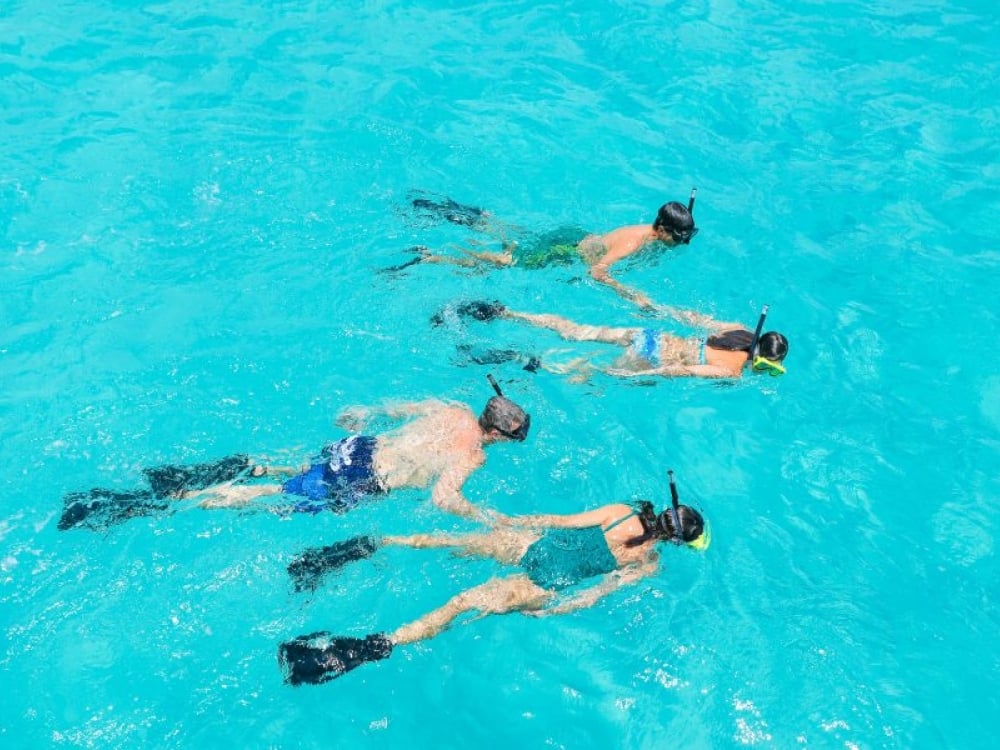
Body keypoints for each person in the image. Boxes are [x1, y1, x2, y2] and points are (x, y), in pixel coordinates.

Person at [279, 471, 709, 685]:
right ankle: (373, 647)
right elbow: (596, 594)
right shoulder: (647, 564)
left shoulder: (621, 513)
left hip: (533, 546)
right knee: (459, 605)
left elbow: (562, 521)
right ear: (674, 541)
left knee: (444, 541)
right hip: (542, 586)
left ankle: (372, 544)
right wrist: (553, 610)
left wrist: (515, 521)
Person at [58, 378, 531, 530]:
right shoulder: (473, 455)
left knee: (296, 468)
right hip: (362, 481)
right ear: (502, 435)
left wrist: (358, 414)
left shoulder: (446, 408)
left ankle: (246, 465)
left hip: (357, 448)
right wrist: (492, 519)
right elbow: (444, 500)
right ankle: (167, 499)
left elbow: (383, 411)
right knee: (265, 497)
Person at [393, 189, 699, 310]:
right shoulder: (634, 243)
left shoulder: (649, 234)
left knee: (516, 242)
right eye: (679, 238)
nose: (682, 244)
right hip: (565, 251)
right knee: (504, 262)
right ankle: (433, 256)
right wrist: (632, 295)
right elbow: (597, 271)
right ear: (660, 229)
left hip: (576, 239)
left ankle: (481, 219)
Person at [447, 300, 789, 380]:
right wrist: (635, 376)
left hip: (652, 336)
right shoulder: (732, 372)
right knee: (586, 373)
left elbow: (690, 317)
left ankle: (509, 313)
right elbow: (681, 372)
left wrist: (649, 305)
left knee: (577, 330)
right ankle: (527, 358)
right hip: (651, 358)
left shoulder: (736, 329)